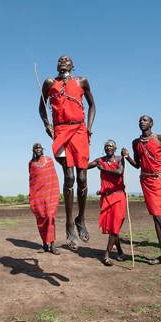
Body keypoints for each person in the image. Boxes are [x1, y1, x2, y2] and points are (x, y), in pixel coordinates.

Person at [39, 55, 95, 250]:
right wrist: (48, 125)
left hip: (79, 131)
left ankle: (81, 219)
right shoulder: (49, 82)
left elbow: (92, 105)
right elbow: (41, 107)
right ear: (57, 65)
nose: (63, 60)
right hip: (61, 131)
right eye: (60, 59)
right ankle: (70, 226)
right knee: (69, 177)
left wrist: (88, 127)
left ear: (73, 65)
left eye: (67, 59)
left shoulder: (82, 81)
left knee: (82, 178)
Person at [122, 115, 161, 269]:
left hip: (160, 180)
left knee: (159, 215)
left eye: (145, 120)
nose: (142, 122)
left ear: (152, 124)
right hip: (146, 181)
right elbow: (137, 165)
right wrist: (127, 157)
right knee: (155, 216)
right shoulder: (136, 143)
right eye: (140, 120)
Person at [87, 140, 127, 266]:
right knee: (112, 227)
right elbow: (86, 166)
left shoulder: (120, 159)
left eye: (111, 146)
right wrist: (75, 161)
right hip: (106, 198)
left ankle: (106, 255)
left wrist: (103, 169)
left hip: (119, 196)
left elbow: (119, 172)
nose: (108, 148)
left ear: (115, 148)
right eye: (106, 146)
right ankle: (120, 251)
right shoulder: (100, 160)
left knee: (115, 226)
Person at [28, 143, 60, 255]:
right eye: (36, 148)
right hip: (38, 196)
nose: (38, 149)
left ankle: (53, 245)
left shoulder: (49, 160)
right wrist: (31, 196)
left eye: (39, 148)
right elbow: (32, 180)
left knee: (50, 217)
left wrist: (55, 192)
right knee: (41, 219)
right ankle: (45, 245)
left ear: (42, 149)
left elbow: (53, 177)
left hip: (50, 194)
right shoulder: (31, 163)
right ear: (33, 150)